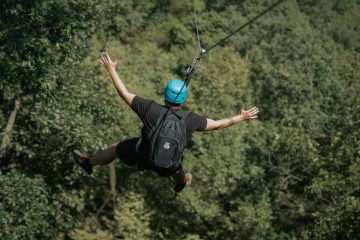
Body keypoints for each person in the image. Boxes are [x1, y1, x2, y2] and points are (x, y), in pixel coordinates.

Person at [73, 52, 259, 193]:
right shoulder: (190, 120)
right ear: (183, 100)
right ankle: (181, 182)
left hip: (142, 154)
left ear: (165, 95)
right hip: (168, 163)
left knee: (115, 148)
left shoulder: (150, 109)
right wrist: (240, 117)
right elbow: (218, 124)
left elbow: (124, 93)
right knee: (177, 168)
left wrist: (112, 70)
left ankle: (88, 162)